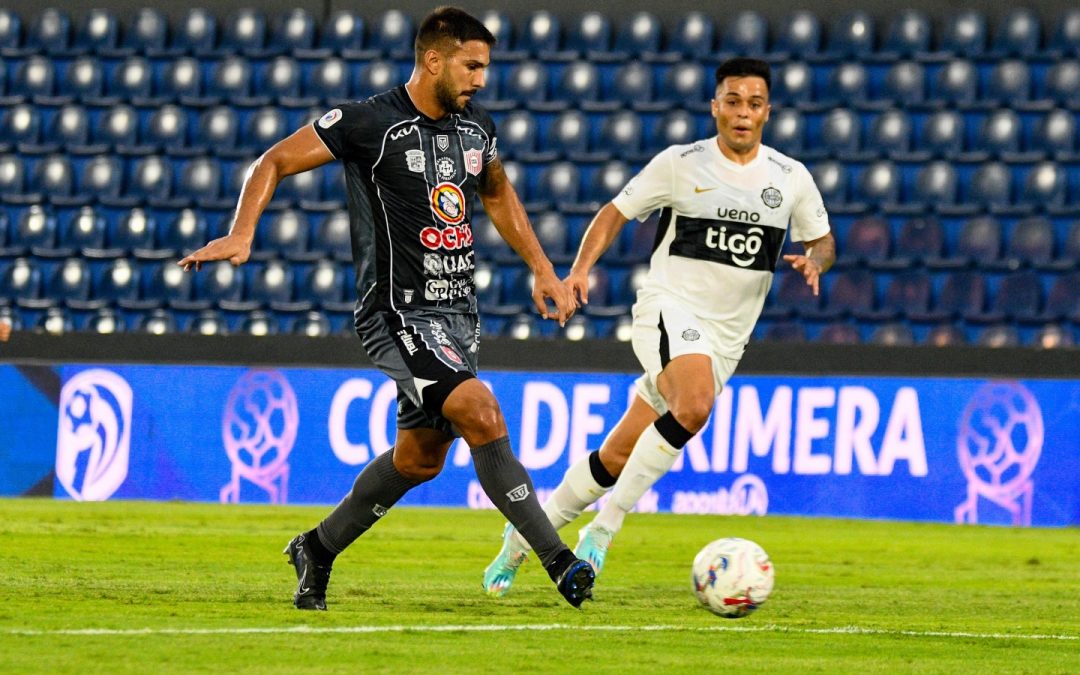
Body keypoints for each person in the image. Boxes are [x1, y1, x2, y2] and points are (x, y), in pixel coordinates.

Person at [180, 6, 595, 610]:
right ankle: (560, 562)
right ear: (433, 60)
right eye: (471, 66)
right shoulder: (365, 122)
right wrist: (243, 233)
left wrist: (542, 269)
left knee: (419, 460)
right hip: (396, 314)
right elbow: (273, 161)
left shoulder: (476, 128)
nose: (481, 79)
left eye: (485, 67)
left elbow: (497, 192)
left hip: (458, 317)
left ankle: (317, 548)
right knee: (480, 410)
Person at [483, 57, 836, 594]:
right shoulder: (680, 163)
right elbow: (615, 213)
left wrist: (816, 258)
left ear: (768, 112)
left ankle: (522, 541)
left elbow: (823, 238)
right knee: (694, 406)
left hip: (726, 339)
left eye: (754, 103)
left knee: (619, 452)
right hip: (668, 310)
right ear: (715, 107)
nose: (743, 113)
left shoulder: (790, 178)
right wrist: (579, 270)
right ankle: (603, 531)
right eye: (733, 102)